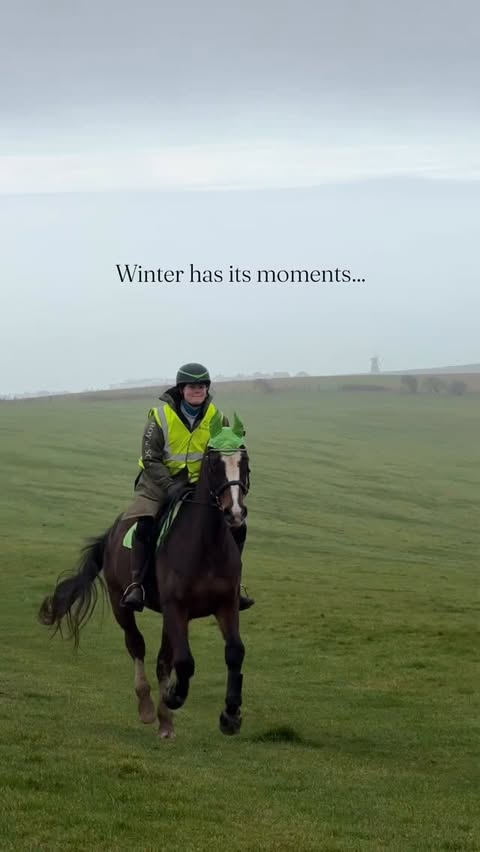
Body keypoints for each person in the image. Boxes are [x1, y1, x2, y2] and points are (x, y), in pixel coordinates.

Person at [121, 363, 255, 612]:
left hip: (198, 484)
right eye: (192, 387)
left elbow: (223, 454)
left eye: (202, 386)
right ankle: (137, 585)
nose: (198, 390)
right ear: (181, 389)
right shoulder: (159, 418)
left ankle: (234, 585)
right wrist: (169, 485)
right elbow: (150, 458)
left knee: (237, 524)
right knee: (147, 521)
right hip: (157, 482)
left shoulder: (217, 417)